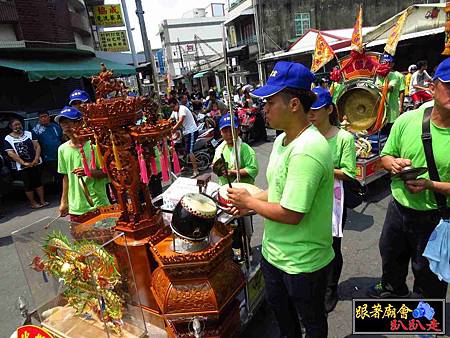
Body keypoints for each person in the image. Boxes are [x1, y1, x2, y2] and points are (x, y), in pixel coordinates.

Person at [227, 61, 334, 337]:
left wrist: (250, 203)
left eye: (270, 103)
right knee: (285, 326)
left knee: (312, 325)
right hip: (275, 257)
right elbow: (277, 191)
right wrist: (247, 201)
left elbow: (292, 213)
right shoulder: (281, 141)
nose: (265, 110)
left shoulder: (308, 149)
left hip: (303, 264)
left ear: (294, 104)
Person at [368, 58, 450, 300]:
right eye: (449, 85)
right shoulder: (407, 120)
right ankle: (393, 288)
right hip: (398, 208)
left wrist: (430, 185)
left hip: (437, 217)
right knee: (390, 254)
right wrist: (393, 164)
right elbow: (385, 155)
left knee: (428, 275)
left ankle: (427, 321)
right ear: (432, 88)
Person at [307, 87, 356, 313]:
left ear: (329, 109)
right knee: (312, 241)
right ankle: (315, 284)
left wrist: (324, 169)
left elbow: (349, 172)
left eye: (316, 109)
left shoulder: (344, 138)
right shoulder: (306, 136)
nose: (311, 114)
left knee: (333, 245)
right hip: (310, 196)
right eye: (309, 109)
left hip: (335, 198)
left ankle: (330, 288)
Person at [56, 106, 110, 222]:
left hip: (98, 205)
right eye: (62, 123)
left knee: (106, 238)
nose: (65, 125)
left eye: (68, 122)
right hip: (76, 208)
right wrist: (64, 202)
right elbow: (66, 177)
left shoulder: (95, 146)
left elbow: (108, 173)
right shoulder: (62, 149)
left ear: (80, 123)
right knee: (82, 240)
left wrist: (89, 172)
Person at [4, 118, 48, 209]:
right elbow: (10, 153)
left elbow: (37, 146)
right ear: (11, 127)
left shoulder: (29, 133)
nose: (18, 126)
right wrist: (23, 162)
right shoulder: (8, 138)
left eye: (19, 124)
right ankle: (33, 203)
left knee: (38, 182)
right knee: (28, 185)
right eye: (15, 125)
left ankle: (42, 201)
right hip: (23, 166)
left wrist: (36, 159)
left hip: (35, 163)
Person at [213, 113, 259, 185]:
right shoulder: (219, 149)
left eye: (232, 130)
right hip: (225, 189)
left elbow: (253, 169)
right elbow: (215, 163)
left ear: (238, 130)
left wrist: (233, 172)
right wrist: (216, 167)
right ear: (220, 132)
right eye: (225, 131)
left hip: (243, 190)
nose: (229, 134)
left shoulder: (245, 149)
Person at [168, 98, 199, 178]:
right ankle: (186, 166)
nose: (172, 109)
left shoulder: (182, 109)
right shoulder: (174, 112)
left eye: (173, 107)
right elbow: (170, 120)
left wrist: (173, 129)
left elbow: (180, 121)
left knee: (189, 151)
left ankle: (196, 170)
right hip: (185, 133)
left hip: (191, 131)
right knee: (183, 149)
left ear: (177, 104)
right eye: (170, 107)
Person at [375, 53, 405, 134]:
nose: (386, 65)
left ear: (392, 64)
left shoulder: (398, 75)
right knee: (381, 132)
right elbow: (377, 87)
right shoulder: (378, 75)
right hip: (380, 108)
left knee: (392, 131)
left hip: (393, 108)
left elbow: (401, 91)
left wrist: (401, 106)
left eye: (388, 63)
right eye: (383, 63)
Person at [32, 111, 63, 186]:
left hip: (61, 155)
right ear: (39, 119)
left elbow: (61, 138)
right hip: (49, 158)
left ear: (49, 117)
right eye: (41, 117)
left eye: (45, 116)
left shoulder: (56, 126)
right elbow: (36, 145)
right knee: (57, 176)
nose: (44, 118)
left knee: (64, 174)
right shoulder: (35, 130)